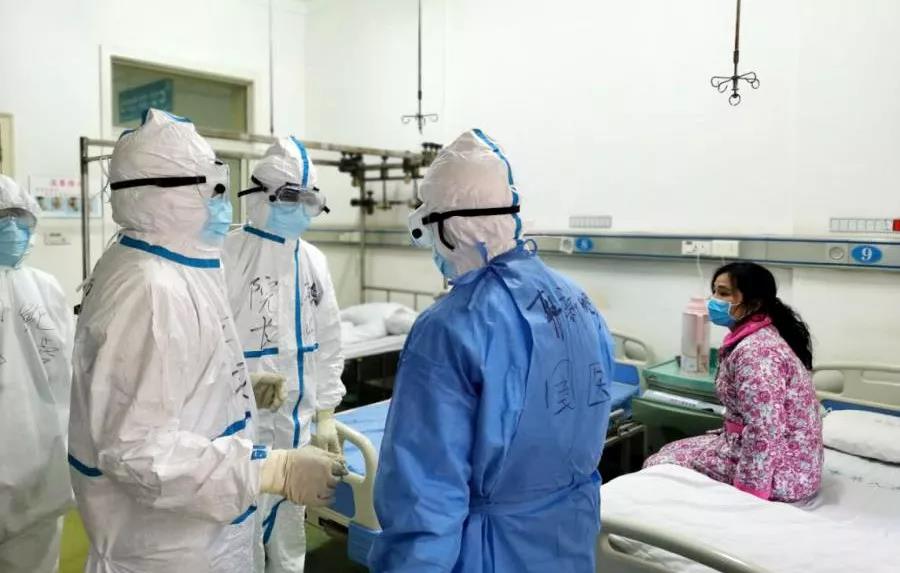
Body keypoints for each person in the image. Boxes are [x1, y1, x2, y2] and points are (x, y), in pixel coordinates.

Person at [68, 109, 346, 573]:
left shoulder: (171, 265)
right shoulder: (151, 289)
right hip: (168, 546)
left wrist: (237, 387)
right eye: (212, 190)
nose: (224, 203)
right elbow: (138, 451)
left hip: (200, 521)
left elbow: (165, 382)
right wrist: (270, 469)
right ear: (166, 197)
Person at [368, 129, 615, 572]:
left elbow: (426, 493)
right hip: (570, 533)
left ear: (448, 229)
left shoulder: (449, 327)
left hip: (492, 548)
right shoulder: (575, 300)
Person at [222, 136, 345, 573]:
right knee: (239, 538)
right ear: (261, 195)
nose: (300, 211)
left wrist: (326, 413)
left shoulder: (313, 260)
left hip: (298, 430)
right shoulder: (225, 254)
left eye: (308, 201)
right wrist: (238, 386)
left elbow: (329, 340)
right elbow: (204, 344)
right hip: (239, 434)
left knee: (290, 540)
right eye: (290, 198)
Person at [645, 262, 822, 502]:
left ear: (754, 303)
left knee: (659, 463)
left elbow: (764, 428)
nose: (713, 300)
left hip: (783, 473)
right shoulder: (757, 334)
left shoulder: (756, 353)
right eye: (714, 291)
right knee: (671, 450)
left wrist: (749, 496)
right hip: (788, 458)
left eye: (724, 293)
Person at [0, 175, 74, 573]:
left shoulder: (46, 287)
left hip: (42, 457)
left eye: (20, 217)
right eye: (2, 218)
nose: (12, 229)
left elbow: (68, 366)